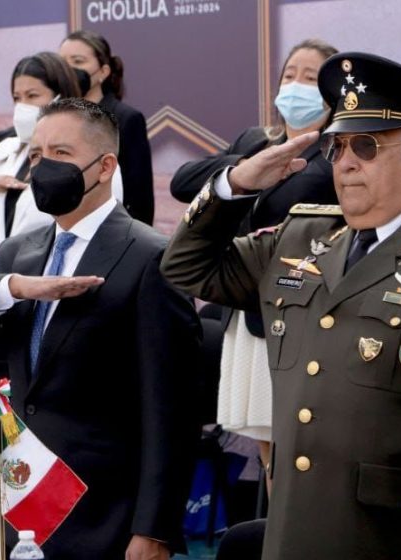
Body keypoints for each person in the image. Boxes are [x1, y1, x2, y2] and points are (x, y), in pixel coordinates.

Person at [161, 52, 401, 559]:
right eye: (336, 146)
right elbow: (186, 267)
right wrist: (235, 184)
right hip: (295, 535)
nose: (344, 163)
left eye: (366, 146)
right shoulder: (300, 238)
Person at [0, 98, 200, 560]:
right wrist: (16, 287)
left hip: (102, 511)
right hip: (15, 502)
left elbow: (172, 411)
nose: (44, 167)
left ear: (105, 166)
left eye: (61, 154)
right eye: (36, 155)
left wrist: (154, 530)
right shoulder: (22, 251)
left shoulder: (149, 256)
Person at [168, 39, 338, 479]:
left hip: (303, 313)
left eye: (310, 77)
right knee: (266, 442)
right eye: (290, 75)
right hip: (247, 309)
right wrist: (256, 163)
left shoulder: (340, 152)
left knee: (302, 441)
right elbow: (185, 182)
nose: (296, 85)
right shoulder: (254, 141)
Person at [0, 52, 123, 260]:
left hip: (59, 274)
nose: (22, 105)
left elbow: (104, 224)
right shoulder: (9, 149)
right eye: (17, 98)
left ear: (61, 96)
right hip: (2, 279)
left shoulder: (91, 153)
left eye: (32, 96)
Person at [60, 29, 154, 225]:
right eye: (63, 64)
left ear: (103, 72)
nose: (69, 71)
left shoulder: (126, 119)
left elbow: (139, 196)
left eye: (78, 62)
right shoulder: (55, 118)